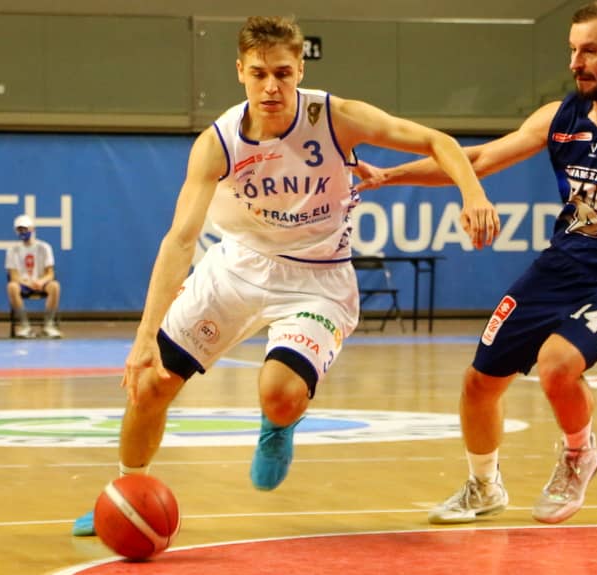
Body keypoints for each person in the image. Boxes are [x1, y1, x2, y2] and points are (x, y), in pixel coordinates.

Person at [72, 15, 500, 536]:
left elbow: (438, 142)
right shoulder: (218, 142)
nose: (271, 86)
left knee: (279, 392)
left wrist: (472, 194)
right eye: (258, 74)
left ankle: (278, 424)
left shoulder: (336, 118)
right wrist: (144, 337)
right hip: (236, 267)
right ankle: (123, 496)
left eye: (282, 73)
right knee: (148, 384)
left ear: (300, 70)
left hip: (317, 280)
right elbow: (181, 240)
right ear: (240, 72)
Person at [353, 0, 597, 525]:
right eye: (572, 50)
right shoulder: (558, 117)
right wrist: (390, 175)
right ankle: (484, 487)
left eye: (590, 51)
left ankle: (578, 453)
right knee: (479, 382)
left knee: (557, 365)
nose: (576, 62)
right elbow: (478, 159)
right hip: (564, 263)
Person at [5, 214, 63, 338]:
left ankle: (48, 325)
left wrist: (41, 282)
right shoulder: (12, 250)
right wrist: (28, 283)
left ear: (32, 229)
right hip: (23, 283)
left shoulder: (44, 247)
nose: (23, 232)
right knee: (11, 287)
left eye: (25, 229)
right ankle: (25, 326)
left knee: (55, 286)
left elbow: (50, 273)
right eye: (20, 229)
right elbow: (13, 276)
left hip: (41, 282)